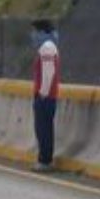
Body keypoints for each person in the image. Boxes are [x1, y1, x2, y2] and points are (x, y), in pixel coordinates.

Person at [31, 19, 60, 172]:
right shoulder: (49, 47)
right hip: (48, 95)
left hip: (45, 96)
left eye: (35, 32)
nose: (33, 35)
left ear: (42, 32)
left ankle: (45, 160)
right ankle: (45, 158)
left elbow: (49, 73)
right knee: (44, 128)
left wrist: (42, 93)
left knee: (43, 129)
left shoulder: (47, 48)